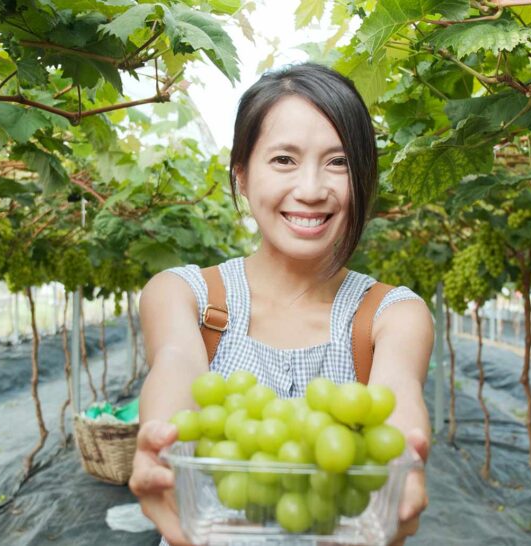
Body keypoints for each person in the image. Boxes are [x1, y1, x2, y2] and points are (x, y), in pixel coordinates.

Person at [129, 63, 434, 546]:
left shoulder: (394, 315)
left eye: (338, 162)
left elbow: (398, 404)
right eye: (284, 160)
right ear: (242, 177)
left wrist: (405, 471)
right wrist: (158, 444)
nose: (311, 190)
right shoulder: (183, 296)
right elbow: (176, 368)